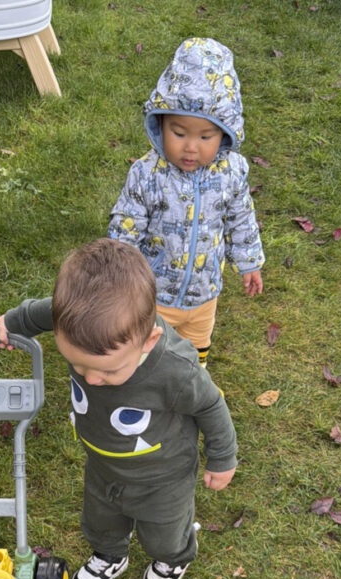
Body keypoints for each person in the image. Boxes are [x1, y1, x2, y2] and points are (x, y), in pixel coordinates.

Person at [0, 238, 237, 579]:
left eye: (108, 372)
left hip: (163, 475)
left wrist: (222, 457)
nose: (91, 379)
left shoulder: (176, 371)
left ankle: (175, 556)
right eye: (78, 365)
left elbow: (210, 406)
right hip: (103, 462)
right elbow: (42, 313)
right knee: (100, 520)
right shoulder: (80, 324)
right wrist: (14, 322)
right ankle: (110, 554)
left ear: (149, 341)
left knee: (163, 533)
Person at [107, 36, 264, 368]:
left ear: (225, 133)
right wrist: (117, 271)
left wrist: (249, 261)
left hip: (204, 293)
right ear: (160, 123)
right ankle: (145, 396)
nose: (191, 148)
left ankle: (190, 391)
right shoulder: (147, 174)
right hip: (153, 294)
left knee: (193, 355)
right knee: (146, 354)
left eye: (205, 137)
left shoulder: (231, 172)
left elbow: (241, 217)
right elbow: (127, 224)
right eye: (179, 133)